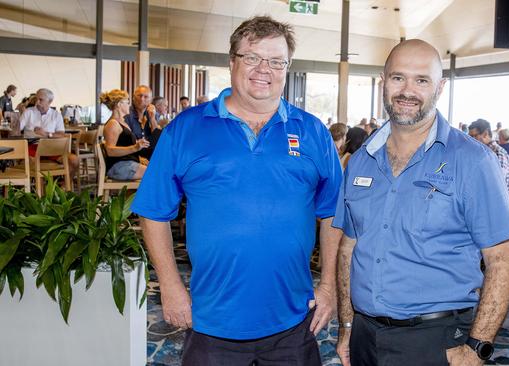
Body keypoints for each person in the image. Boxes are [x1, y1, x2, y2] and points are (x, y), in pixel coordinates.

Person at [130, 16, 342, 365]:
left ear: (287, 68)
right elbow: (153, 211)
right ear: (232, 62)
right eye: (252, 57)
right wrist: (169, 286)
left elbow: (333, 213)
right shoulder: (186, 128)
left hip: (293, 319)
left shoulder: (313, 132)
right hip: (211, 322)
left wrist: (329, 287)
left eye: (276, 61)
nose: (264, 69)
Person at [334, 39, 509, 366]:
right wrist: (347, 326)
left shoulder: (473, 161)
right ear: (383, 82)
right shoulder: (361, 161)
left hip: (435, 340)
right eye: (398, 78)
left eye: (421, 80)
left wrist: (477, 349)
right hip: (365, 335)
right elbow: (349, 249)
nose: (408, 90)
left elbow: (503, 260)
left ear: (440, 87)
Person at [19, 88, 79, 170]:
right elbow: (17, 129)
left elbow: (61, 135)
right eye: (36, 99)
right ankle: (40, 181)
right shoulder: (28, 112)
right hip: (32, 147)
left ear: (50, 101)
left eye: (41, 100)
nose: (37, 102)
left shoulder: (56, 115)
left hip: (51, 147)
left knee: (74, 160)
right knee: (28, 162)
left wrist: (46, 134)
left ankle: (63, 183)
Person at [100, 89, 149, 180]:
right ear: (119, 104)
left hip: (126, 164)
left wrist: (139, 157)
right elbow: (110, 150)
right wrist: (135, 147)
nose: (129, 105)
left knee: (158, 171)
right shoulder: (113, 124)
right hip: (119, 167)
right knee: (157, 174)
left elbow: (123, 145)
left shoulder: (122, 122)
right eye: (127, 102)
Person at [469, 119, 509, 199]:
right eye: (470, 136)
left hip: (498, 203)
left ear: (485, 134)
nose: (471, 139)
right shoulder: (481, 151)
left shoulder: (498, 153)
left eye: (474, 136)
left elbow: (496, 182)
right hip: (487, 197)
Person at [125, 85, 160, 160]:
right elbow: (126, 140)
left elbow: (156, 138)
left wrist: (152, 119)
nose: (142, 99)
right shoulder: (126, 113)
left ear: (150, 100)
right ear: (133, 98)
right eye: (139, 96)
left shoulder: (154, 114)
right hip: (132, 154)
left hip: (150, 154)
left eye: (146, 97)